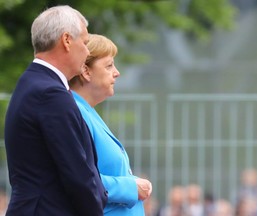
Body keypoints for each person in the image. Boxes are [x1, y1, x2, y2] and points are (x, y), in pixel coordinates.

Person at [4, 5, 107, 216]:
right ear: (67, 40)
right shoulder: (50, 93)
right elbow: (77, 174)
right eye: (85, 43)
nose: (87, 52)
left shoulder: (33, 83)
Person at [69, 34, 152, 215]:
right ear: (86, 71)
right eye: (108, 65)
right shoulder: (75, 112)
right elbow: (77, 179)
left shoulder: (87, 111)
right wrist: (131, 187)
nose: (117, 72)